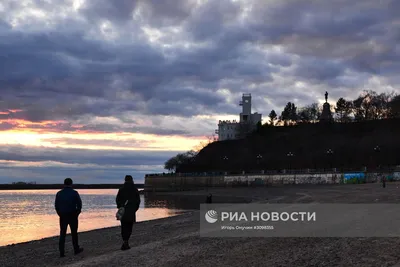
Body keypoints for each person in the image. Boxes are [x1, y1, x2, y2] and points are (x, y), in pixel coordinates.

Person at [55, 178, 83, 257]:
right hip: (72, 215)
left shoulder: (59, 193)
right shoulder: (74, 193)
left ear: (64, 184)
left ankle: (61, 252)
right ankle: (76, 249)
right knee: (74, 233)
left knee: (62, 233)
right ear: (71, 184)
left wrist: (59, 213)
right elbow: (79, 204)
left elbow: (56, 206)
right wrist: (77, 213)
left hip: (63, 215)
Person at [116, 175, 141, 250]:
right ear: (132, 180)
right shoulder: (135, 189)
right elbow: (138, 201)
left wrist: (120, 207)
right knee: (129, 227)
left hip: (123, 211)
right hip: (131, 211)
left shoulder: (121, 189)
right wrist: (134, 209)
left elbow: (117, 200)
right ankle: (126, 242)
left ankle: (125, 241)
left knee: (123, 227)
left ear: (125, 180)